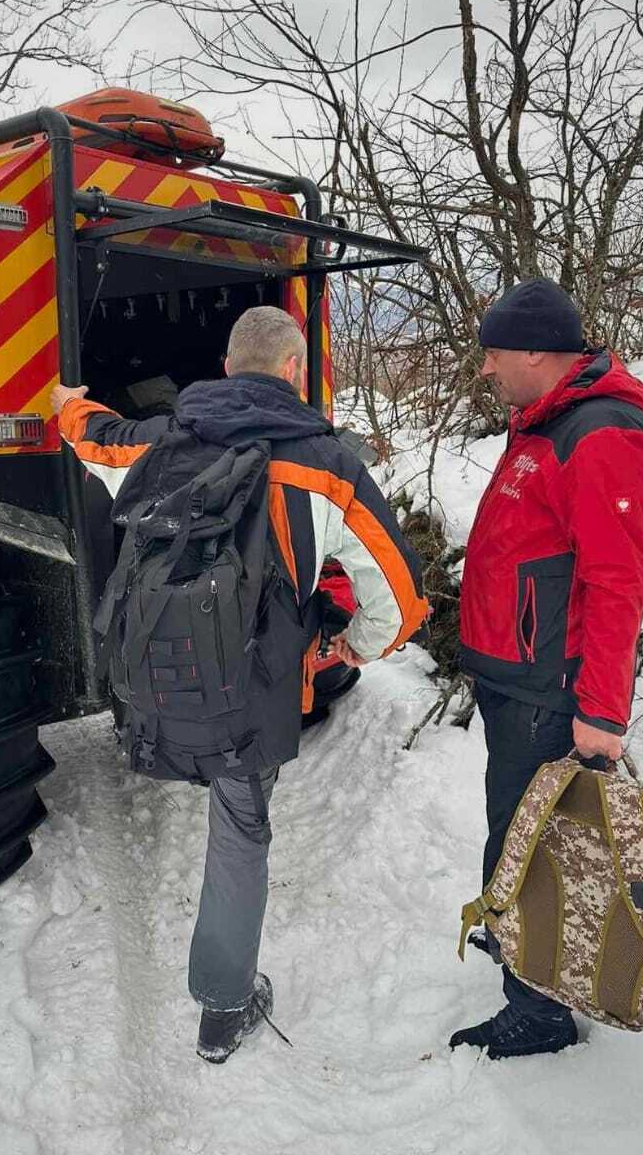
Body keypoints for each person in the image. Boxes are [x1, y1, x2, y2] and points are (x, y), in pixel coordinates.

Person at [51, 305, 428, 1064]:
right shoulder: (328, 463)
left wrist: (66, 405)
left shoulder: (163, 439)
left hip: (158, 677)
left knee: (219, 791)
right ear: (294, 371)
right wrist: (351, 648)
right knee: (240, 829)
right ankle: (223, 1009)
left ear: (225, 367)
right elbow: (401, 594)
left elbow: (96, 437)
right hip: (252, 695)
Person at [452, 277, 643, 1059]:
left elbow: (617, 582)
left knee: (530, 838)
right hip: (516, 677)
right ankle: (520, 943)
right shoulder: (546, 423)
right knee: (515, 830)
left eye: (495, 353)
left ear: (537, 350)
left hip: (552, 684)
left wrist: (603, 712)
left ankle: (538, 1009)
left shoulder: (602, 433)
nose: (487, 369)